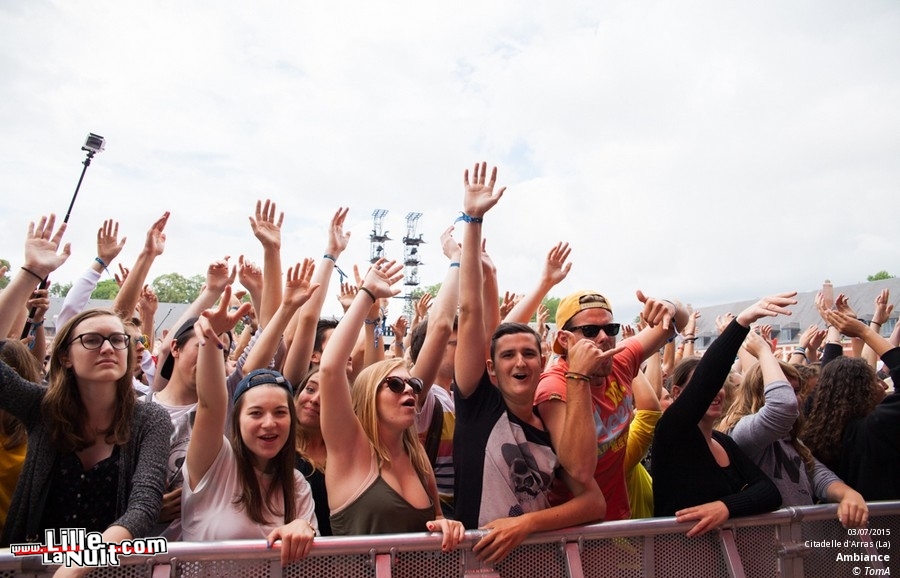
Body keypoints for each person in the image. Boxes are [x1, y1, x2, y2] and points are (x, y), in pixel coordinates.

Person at [452, 162, 605, 564]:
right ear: (491, 368)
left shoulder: (549, 422)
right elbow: (470, 310)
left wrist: (527, 524)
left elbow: (593, 502)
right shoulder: (477, 402)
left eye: (528, 353)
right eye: (507, 355)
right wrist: (473, 220)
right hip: (476, 564)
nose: (519, 361)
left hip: (536, 563)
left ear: (542, 361)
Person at [0, 216, 173, 559]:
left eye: (118, 340)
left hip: (111, 569)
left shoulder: (151, 419)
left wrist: (81, 563)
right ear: (65, 357)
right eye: (92, 340)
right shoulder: (41, 408)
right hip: (30, 567)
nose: (108, 348)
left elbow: (144, 504)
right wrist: (31, 272)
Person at [317, 258, 464, 547]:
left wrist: (446, 524)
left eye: (413, 385)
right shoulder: (350, 450)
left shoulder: (417, 456)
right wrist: (367, 294)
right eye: (395, 384)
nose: (408, 390)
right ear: (369, 396)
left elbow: (436, 518)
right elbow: (331, 368)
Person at [181, 282, 318, 566]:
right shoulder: (215, 463)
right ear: (236, 419)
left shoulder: (297, 484)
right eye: (256, 413)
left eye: (280, 412)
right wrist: (212, 341)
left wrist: (304, 528)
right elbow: (210, 404)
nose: (269, 423)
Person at [534, 286, 688, 521]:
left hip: (618, 516)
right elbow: (580, 470)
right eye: (590, 331)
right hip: (571, 529)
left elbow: (679, 320)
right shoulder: (553, 388)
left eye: (610, 328)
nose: (604, 338)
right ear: (564, 339)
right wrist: (579, 376)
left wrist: (669, 306)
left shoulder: (620, 362)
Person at [652, 294, 790, 536]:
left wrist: (726, 507)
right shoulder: (672, 434)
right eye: (707, 389)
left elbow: (769, 492)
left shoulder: (724, 441)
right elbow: (707, 380)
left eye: (721, 386)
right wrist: (741, 323)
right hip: (681, 554)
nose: (715, 392)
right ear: (678, 393)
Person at [718, 330, 868, 527]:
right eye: (787, 389)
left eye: (797, 390)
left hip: (797, 539)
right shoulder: (742, 431)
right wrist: (764, 352)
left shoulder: (789, 439)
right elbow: (783, 406)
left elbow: (817, 475)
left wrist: (847, 494)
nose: (796, 398)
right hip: (766, 541)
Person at [802, 308, 900, 501]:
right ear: (863, 390)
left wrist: (834, 328)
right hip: (885, 515)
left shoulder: (815, 431)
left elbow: (830, 375)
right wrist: (865, 331)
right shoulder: (877, 426)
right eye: (874, 380)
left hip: (837, 517)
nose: (882, 384)